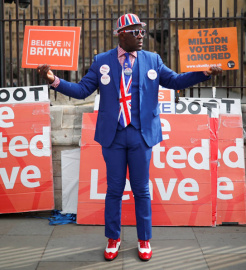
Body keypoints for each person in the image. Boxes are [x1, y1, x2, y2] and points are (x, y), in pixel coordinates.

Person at [37, 13, 222, 261]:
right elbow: (82, 90)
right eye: (136, 31)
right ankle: (113, 239)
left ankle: (144, 240)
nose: (141, 36)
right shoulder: (102, 61)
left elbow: (175, 81)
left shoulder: (152, 59)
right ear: (121, 34)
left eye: (142, 31)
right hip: (112, 136)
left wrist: (204, 73)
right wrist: (54, 80)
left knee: (141, 190)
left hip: (141, 134)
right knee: (114, 190)